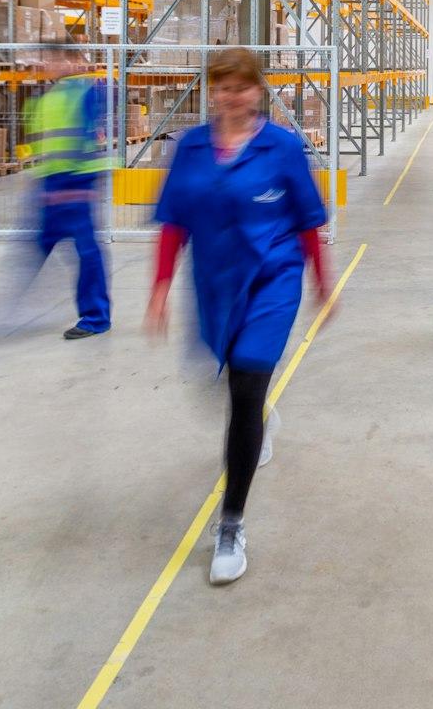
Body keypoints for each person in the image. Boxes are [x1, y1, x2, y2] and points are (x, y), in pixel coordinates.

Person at [145, 48, 330, 586]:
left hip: (273, 282)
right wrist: (159, 287)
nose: (231, 96)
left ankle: (231, 523)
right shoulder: (191, 149)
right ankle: (261, 418)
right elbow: (174, 222)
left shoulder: (284, 147)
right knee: (222, 383)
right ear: (212, 92)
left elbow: (307, 220)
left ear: (258, 91)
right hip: (214, 285)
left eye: (241, 86)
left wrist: (322, 280)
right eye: (221, 86)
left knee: (246, 386)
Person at [19, 40, 110, 339]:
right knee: (39, 246)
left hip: (75, 184)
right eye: (46, 60)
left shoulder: (85, 92)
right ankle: (11, 308)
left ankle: (95, 318)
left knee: (86, 251)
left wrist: (78, 187)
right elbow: (43, 145)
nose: (48, 65)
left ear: (71, 60)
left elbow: (88, 139)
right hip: (51, 184)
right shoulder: (46, 97)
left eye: (54, 59)